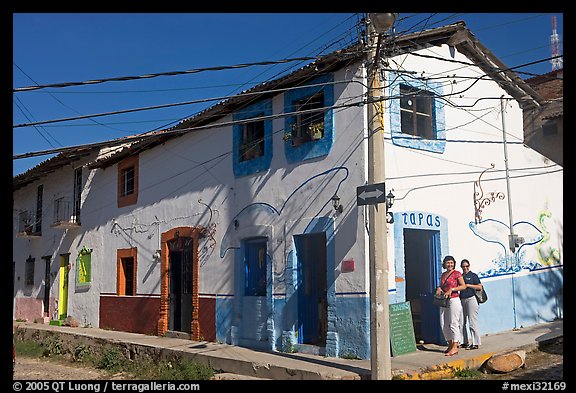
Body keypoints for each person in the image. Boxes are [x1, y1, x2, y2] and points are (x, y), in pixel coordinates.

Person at [435, 255, 467, 356]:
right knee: (443, 323)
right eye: (448, 263)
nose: (450, 264)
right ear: (444, 264)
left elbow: (463, 286)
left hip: (454, 299)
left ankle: (455, 346)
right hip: (444, 300)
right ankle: (449, 344)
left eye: (451, 263)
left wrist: (452, 289)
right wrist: (439, 289)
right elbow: (442, 286)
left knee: (454, 323)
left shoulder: (457, 274)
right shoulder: (443, 274)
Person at [459, 259, 482, 350]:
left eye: (467, 266)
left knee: (472, 322)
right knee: (461, 322)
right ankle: (464, 342)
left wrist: (468, 285)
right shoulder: (460, 276)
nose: (465, 268)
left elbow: (479, 287)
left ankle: (476, 343)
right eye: (463, 266)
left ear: (469, 266)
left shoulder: (473, 276)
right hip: (462, 299)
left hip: (471, 299)